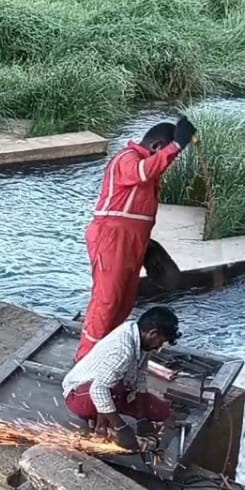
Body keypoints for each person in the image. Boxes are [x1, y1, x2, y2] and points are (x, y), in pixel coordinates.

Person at [74, 116, 196, 362]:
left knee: (124, 302)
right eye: (166, 153)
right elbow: (142, 172)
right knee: (107, 301)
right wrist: (177, 146)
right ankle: (85, 362)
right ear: (157, 148)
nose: (168, 162)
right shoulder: (126, 158)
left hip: (133, 241)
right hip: (113, 237)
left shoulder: (144, 166)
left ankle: (108, 355)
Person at [61, 306, 181, 448]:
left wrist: (142, 418)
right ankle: (101, 426)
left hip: (112, 388)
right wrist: (121, 427)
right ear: (153, 334)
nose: (160, 346)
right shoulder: (123, 350)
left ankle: (106, 418)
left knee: (161, 411)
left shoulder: (141, 339)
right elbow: (98, 389)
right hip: (80, 394)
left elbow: (140, 377)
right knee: (112, 390)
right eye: (161, 341)